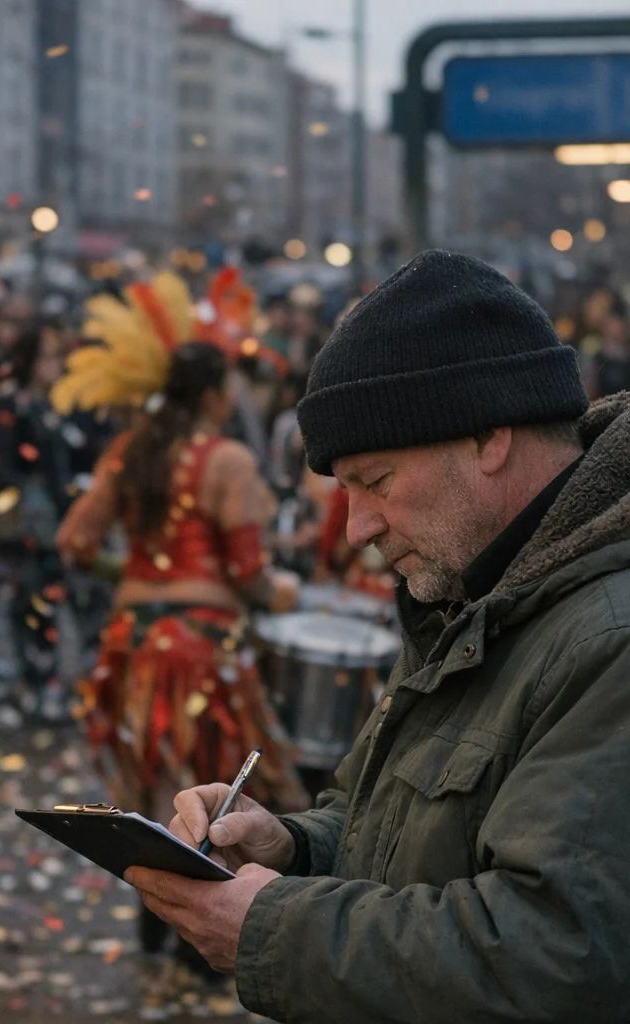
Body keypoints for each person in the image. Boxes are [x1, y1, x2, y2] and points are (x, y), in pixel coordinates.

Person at [125, 250, 630, 1023]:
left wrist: (274, 928)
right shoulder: (476, 589)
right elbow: (392, 828)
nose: (357, 527)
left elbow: (557, 955)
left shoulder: (609, 637)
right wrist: (291, 848)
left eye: (377, 481)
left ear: (489, 438)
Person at [52, 272, 310, 957]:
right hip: (200, 645)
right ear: (215, 395)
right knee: (209, 791)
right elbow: (250, 574)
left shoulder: (131, 450)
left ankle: (152, 913)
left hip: (131, 639)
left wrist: (135, 578)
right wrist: (282, 593)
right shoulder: (227, 460)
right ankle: (198, 933)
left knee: (151, 783)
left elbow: (74, 543)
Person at [0, 323, 71, 717]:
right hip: (26, 526)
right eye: (48, 356)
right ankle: (30, 682)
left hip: (53, 523)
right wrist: (23, 503)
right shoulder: (13, 404)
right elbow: (1, 465)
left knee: (50, 600)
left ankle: (45, 680)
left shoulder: (53, 406)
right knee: (28, 601)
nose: (56, 364)